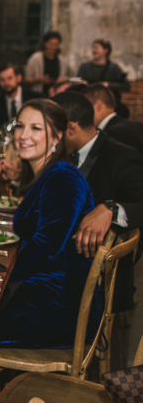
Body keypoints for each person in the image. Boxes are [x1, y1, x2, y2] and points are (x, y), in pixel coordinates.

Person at [0, 99, 98, 349]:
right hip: (45, 286)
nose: (23, 135)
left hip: (59, 300)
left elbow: (46, 246)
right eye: (20, 126)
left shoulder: (63, 177)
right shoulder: (49, 173)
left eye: (36, 128)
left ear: (57, 136)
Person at [53, 91, 143, 313]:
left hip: (90, 284)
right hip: (60, 260)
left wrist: (112, 209)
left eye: (54, 132)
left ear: (71, 128)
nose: (51, 140)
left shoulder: (120, 155)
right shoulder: (66, 153)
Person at [82, 83, 143, 155]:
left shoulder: (112, 133)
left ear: (99, 106)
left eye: (85, 109)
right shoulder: (136, 125)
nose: (82, 114)